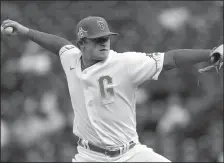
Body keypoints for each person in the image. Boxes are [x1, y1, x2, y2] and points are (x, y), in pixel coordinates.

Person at [1, 16, 223, 162]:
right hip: (89, 156)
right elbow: (57, 44)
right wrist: (26, 31)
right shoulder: (71, 58)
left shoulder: (125, 63)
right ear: (81, 44)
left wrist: (209, 53)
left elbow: (171, 58)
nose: (104, 43)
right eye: (97, 40)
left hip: (130, 154)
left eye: (106, 38)